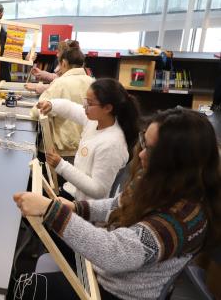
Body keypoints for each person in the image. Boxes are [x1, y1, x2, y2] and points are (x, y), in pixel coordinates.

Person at [13, 108, 221, 300]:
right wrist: (76, 208)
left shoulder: (183, 220)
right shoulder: (157, 178)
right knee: (43, 230)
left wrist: (52, 211)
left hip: (115, 293)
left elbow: (113, 254)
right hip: (101, 270)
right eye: (144, 143)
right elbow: (118, 205)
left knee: (23, 288)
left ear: (179, 161)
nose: (140, 154)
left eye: (150, 149)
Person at [37, 78, 140, 200]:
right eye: (86, 101)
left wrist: (61, 165)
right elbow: (71, 108)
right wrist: (51, 104)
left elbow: (98, 190)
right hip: (73, 191)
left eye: (90, 103)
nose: (85, 106)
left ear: (107, 108)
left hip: (84, 207)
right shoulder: (96, 120)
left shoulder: (112, 144)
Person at [31, 47, 94, 159]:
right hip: (86, 149)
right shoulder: (93, 82)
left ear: (64, 63)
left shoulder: (60, 83)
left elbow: (37, 112)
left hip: (61, 152)